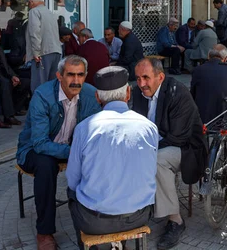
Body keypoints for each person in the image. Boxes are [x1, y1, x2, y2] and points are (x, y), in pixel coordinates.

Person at [66, 66, 158, 250]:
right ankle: (119, 244)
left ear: (98, 97)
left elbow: (72, 180)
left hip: (94, 221)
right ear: (128, 93)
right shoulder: (149, 127)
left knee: (72, 193)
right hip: (138, 216)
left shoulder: (84, 128)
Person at [16, 55, 101, 250]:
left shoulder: (91, 94)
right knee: (46, 165)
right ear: (59, 76)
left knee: (96, 165)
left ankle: (92, 229)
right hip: (35, 150)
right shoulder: (42, 95)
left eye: (80, 75)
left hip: (72, 149)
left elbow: (95, 134)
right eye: (70, 75)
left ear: (86, 76)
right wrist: (75, 152)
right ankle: (44, 232)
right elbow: (39, 143)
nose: (76, 80)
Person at [131, 58, 207, 250]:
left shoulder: (177, 92)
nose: (141, 83)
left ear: (160, 77)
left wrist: (145, 149)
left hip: (186, 148)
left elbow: (178, 137)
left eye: (146, 78)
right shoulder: (138, 92)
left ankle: (176, 220)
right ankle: (135, 209)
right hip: (157, 144)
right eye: (138, 78)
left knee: (157, 161)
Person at [190, 44, 227, 123]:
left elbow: (192, 94)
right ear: (226, 58)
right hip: (225, 117)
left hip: (203, 117)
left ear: (208, 56)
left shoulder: (198, 70)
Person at [26, 0, 63, 92]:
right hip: (56, 51)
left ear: (32, 2)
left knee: (39, 86)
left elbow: (35, 33)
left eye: (29, 3)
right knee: (52, 86)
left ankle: (40, 107)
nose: (28, 5)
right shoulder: (51, 13)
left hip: (43, 52)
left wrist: (36, 53)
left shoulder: (34, 12)